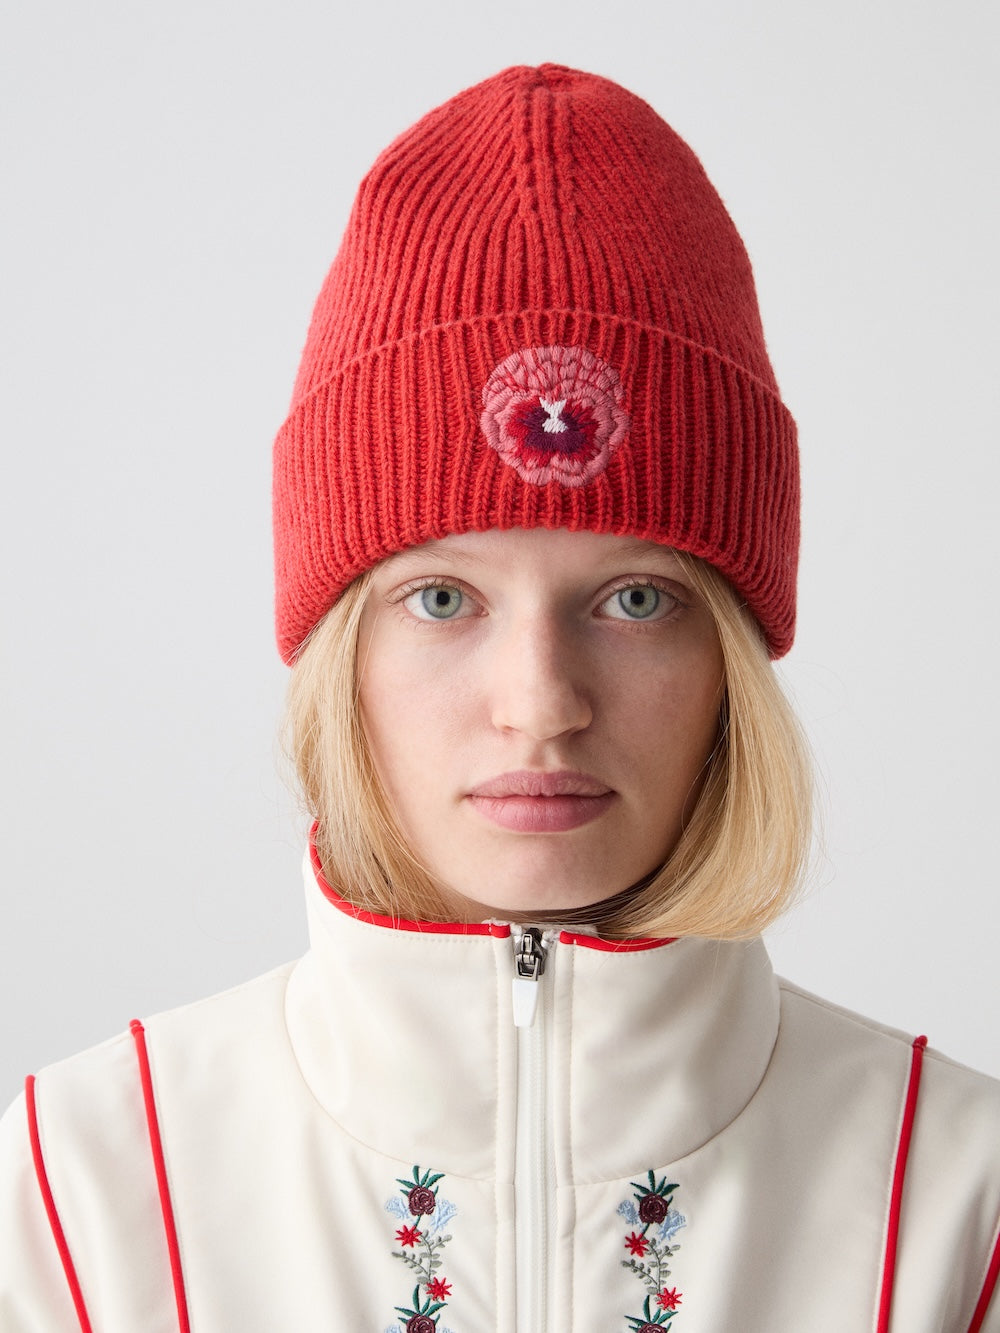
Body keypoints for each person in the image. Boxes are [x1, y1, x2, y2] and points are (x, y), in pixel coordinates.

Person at [1, 62, 998, 1333]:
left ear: (732, 662)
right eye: (441, 598)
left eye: (635, 598)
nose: (539, 704)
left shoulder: (962, 1205)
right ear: (337, 656)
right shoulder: (82, 1191)